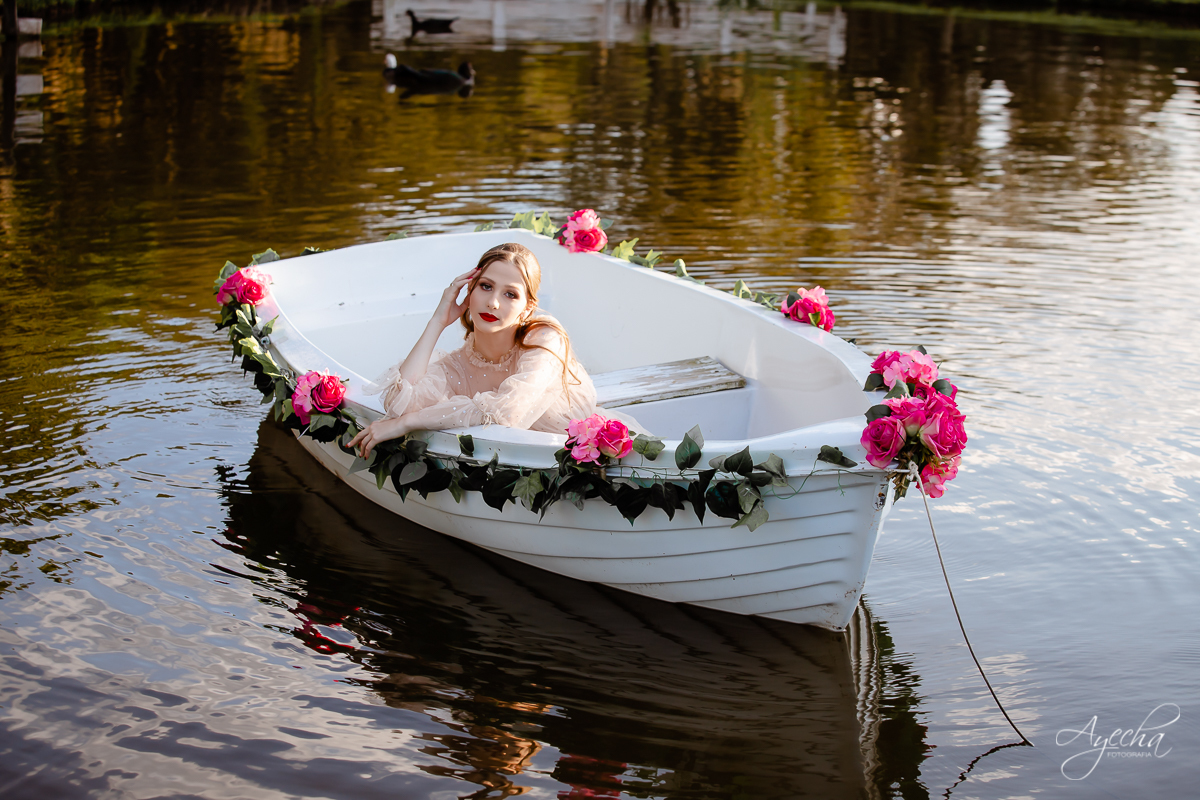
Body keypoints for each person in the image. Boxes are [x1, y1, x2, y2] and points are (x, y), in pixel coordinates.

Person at [349, 242, 633, 458]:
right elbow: (398, 403)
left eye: (510, 294)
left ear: (528, 308)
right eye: (485, 287)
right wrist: (437, 322)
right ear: (469, 290)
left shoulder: (545, 339)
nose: (493, 302)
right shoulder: (457, 365)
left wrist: (407, 423)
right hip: (512, 464)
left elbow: (508, 411)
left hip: (586, 456)